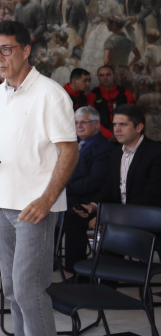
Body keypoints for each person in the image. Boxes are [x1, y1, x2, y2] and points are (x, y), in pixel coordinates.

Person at [0, 21, 78, 336]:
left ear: (26, 50)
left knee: (29, 292)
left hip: (35, 208)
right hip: (0, 203)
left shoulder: (50, 94)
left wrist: (47, 200)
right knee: (12, 290)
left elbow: (69, 151)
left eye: (7, 49)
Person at [61, 107, 114, 275]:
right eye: (76, 122)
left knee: (71, 215)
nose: (79, 126)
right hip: (70, 195)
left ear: (97, 124)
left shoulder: (104, 148)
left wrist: (62, 186)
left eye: (84, 122)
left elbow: (94, 181)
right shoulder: (73, 143)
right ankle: (50, 261)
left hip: (90, 200)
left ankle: (76, 270)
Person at [88, 65, 135, 140]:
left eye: (108, 75)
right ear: (98, 77)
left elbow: (133, 116)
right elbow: (91, 119)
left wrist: (122, 133)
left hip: (124, 136)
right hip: (101, 137)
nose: (105, 78)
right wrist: (109, 135)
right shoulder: (92, 96)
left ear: (114, 76)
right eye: (101, 75)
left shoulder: (126, 94)